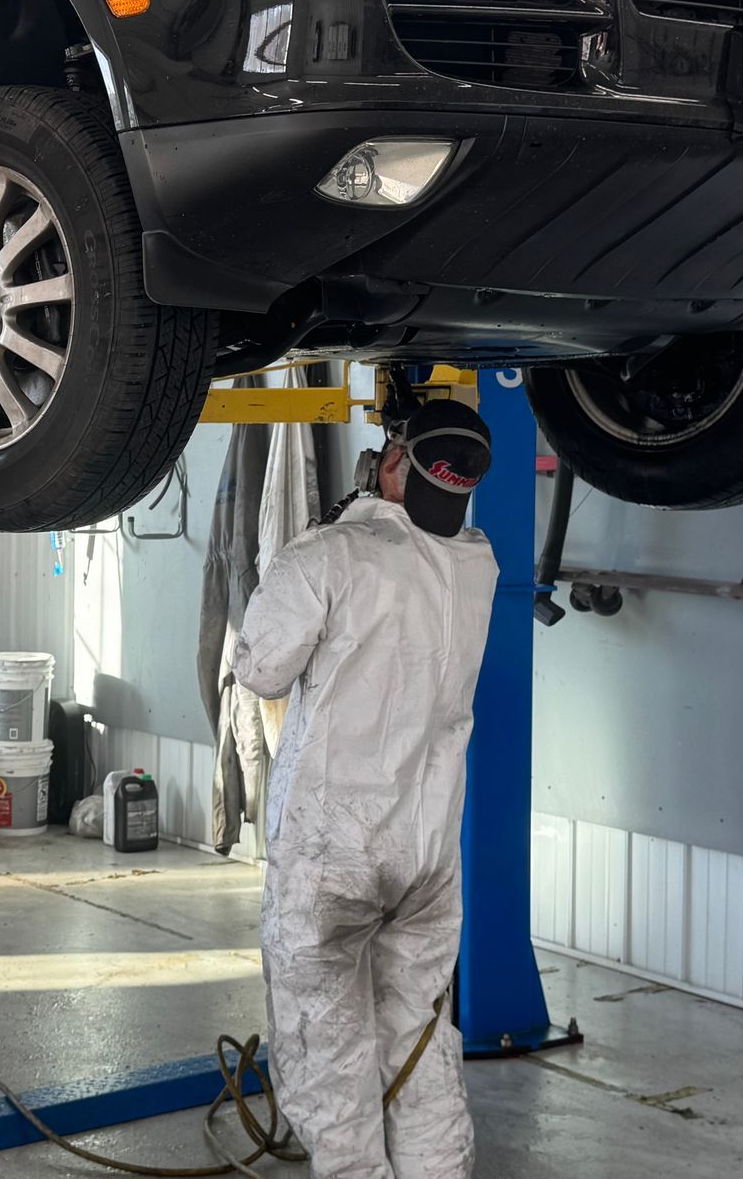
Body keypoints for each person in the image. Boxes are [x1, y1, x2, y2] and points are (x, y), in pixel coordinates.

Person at [231, 399, 497, 1179]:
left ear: (393, 466)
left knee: (329, 1050)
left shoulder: (331, 557)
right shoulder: (479, 565)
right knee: (418, 1034)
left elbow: (258, 668)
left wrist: (322, 540)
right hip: (424, 862)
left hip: (334, 859)